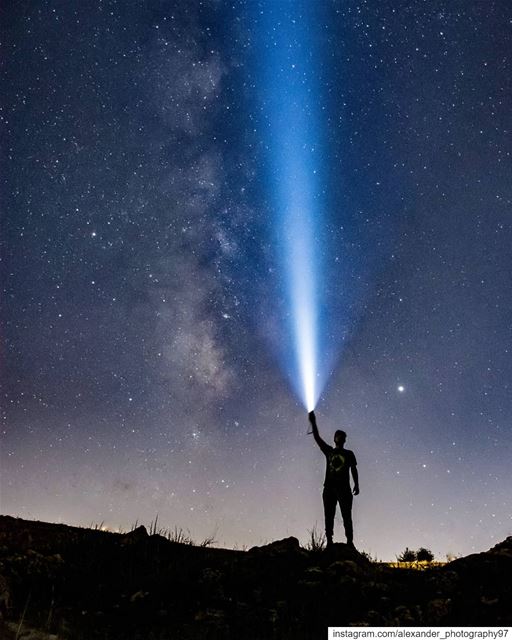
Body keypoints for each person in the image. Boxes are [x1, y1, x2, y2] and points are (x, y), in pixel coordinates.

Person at [308, 410, 359, 548]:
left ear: (344, 440)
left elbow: (354, 468)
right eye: (338, 436)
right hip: (329, 488)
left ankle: (350, 542)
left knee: (346, 516)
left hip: (344, 488)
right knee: (328, 515)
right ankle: (329, 541)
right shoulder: (329, 451)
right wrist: (313, 422)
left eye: (343, 436)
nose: (340, 438)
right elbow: (317, 438)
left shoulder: (349, 454)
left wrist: (357, 484)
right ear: (335, 438)